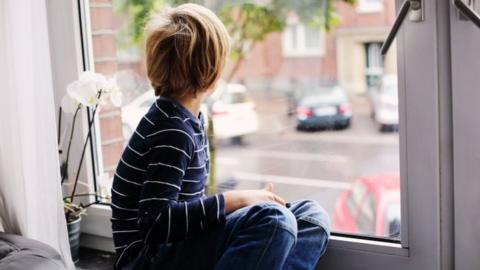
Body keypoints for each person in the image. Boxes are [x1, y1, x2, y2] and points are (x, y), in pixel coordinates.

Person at [110, 3, 331, 270]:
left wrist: (244, 203)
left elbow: (187, 210)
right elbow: (155, 224)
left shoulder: (184, 119)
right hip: (148, 261)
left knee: (311, 216)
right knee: (274, 220)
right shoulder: (172, 131)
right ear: (211, 72)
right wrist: (236, 200)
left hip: (179, 245)